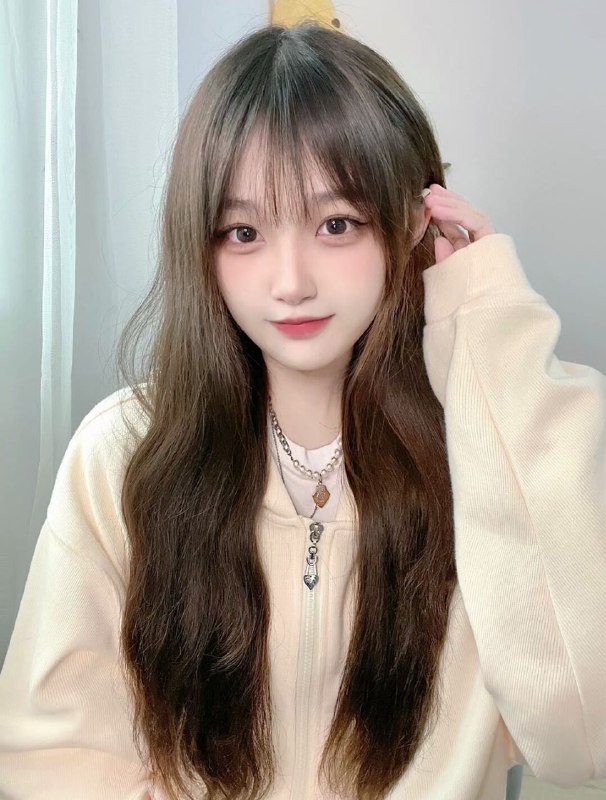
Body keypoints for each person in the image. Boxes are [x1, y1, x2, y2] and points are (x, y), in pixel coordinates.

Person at [1, 19, 605, 800]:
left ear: (412, 223)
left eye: (336, 224)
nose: (290, 281)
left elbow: (582, 740)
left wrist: (490, 330)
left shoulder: (498, 449)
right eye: (244, 231)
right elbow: (52, 766)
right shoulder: (122, 455)